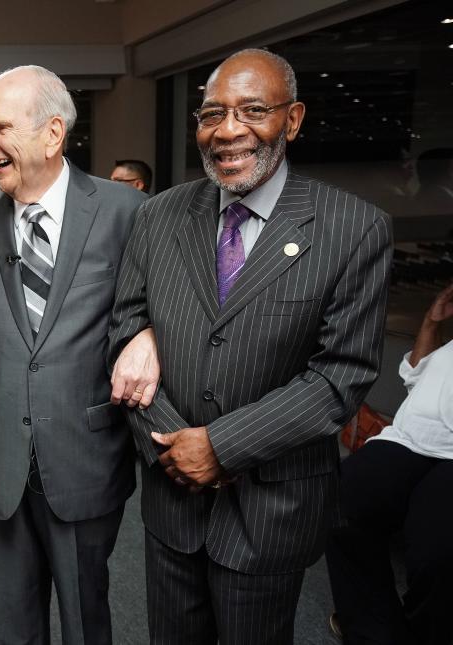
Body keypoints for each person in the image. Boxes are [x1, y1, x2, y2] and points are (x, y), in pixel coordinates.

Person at [108, 49, 392, 644]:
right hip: (170, 503)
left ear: (292, 120)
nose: (228, 131)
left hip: (270, 509)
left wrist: (220, 447)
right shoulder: (158, 216)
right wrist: (171, 445)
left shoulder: (353, 228)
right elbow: (124, 328)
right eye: (212, 114)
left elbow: (340, 376)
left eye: (253, 110)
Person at [0, 65, 150, 645]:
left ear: (53, 134)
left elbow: (155, 308)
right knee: (15, 618)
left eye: (0, 128)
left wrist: (149, 337)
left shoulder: (125, 212)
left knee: (86, 614)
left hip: (86, 451)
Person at [326, 282, 453, 645]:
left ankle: (424, 634)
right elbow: (414, 377)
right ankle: (373, 630)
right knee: (339, 498)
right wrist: (431, 323)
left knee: (437, 552)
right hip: (408, 439)